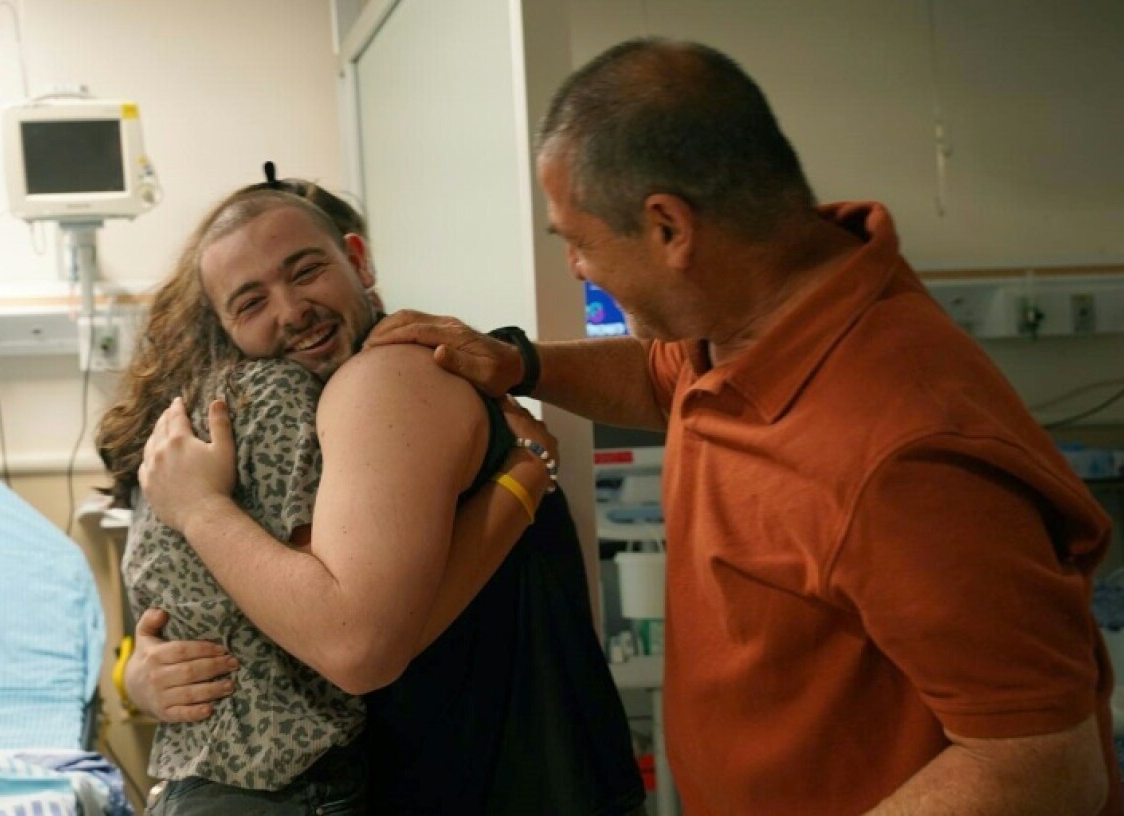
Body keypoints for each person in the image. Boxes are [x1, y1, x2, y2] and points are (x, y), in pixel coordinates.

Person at [365, 38, 1120, 815]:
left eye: (580, 241)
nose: (578, 270)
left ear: (668, 227)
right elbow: (663, 378)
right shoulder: (753, 321)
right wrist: (518, 362)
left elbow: (1042, 765)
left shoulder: (906, 452)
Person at [97, 176, 647, 815]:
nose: (291, 309)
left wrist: (200, 510)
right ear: (224, 328)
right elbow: (233, 610)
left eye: (305, 272)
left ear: (357, 260)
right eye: (251, 302)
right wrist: (136, 672)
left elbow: (353, 644)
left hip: (507, 780)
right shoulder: (284, 409)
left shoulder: (387, 378)